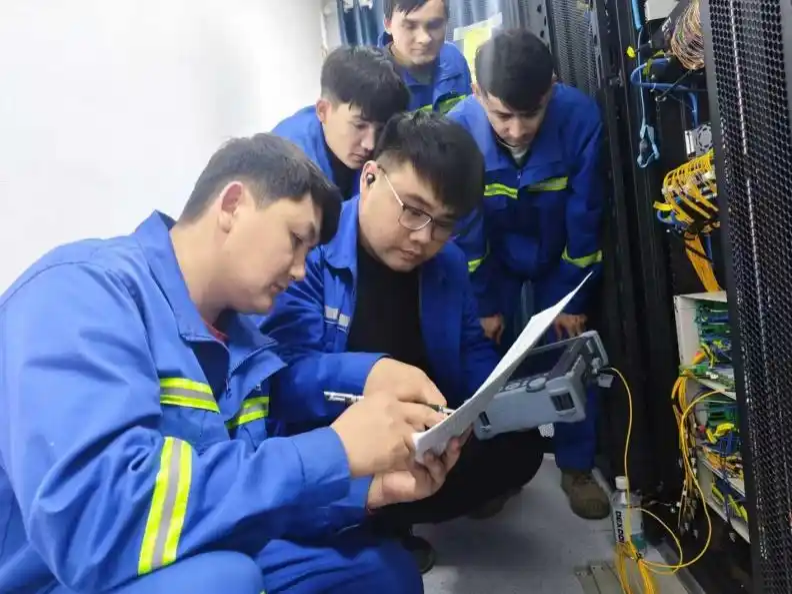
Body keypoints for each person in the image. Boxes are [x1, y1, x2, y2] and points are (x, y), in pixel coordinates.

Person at [0, 133, 465, 594]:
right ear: (232, 205)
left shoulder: (245, 349)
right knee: (227, 579)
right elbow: (96, 521)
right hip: (65, 577)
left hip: (193, 552)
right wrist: (333, 450)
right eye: (295, 239)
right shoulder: (81, 294)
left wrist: (370, 491)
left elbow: (243, 498)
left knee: (384, 573)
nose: (300, 270)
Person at [261, 111, 544, 574]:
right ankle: (371, 520)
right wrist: (373, 374)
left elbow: (470, 348)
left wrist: (497, 400)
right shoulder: (311, 252)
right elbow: (283, 380)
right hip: (340, 438)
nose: (423, 238)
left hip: (425, 429)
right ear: (370, 178)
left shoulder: (448, 264)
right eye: (412, 210)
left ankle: (395, 513)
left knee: (523, 445)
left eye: (443, 224)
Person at [448, 29, 609, 520]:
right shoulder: (458, 132)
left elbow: (585, 220)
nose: (516, 130)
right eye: (502, 116)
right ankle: (501, 471)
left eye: (530, 114)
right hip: (492, 261)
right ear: (478, 94)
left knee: (567, 352)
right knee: (488, 361)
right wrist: (483, 306)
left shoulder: (579, 119)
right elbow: (466, 236)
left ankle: (576, 466)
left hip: (559, 256)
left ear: (551, 90)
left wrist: (570, 303)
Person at [273, 45, 409, 201]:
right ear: (323, 111)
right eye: (359, 126)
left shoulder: (385, 137)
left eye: (380, 129)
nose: (370, 144)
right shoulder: (285, 164)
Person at [379, 0, 472, 113]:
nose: (424, 39)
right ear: (388, 24)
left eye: (434, 25)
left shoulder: (454, 59)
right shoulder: (373, 83)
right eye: (410, 26)